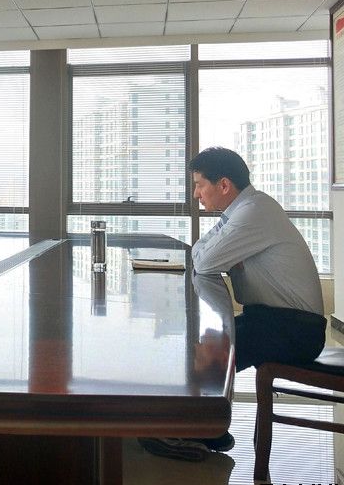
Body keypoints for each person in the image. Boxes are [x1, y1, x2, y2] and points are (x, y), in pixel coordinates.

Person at [140, 147, 326, 462]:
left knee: (210, 350)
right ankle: (206, 427)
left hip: (296, 330)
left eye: (200, 185)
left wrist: (209, 253)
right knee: (204, 343)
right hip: (275, 320)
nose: (196, 194)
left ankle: (184, 429)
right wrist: (209, 252)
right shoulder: (241, 211)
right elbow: (201, 249)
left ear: (224, 185)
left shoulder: (254, 212)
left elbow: (205, 261)